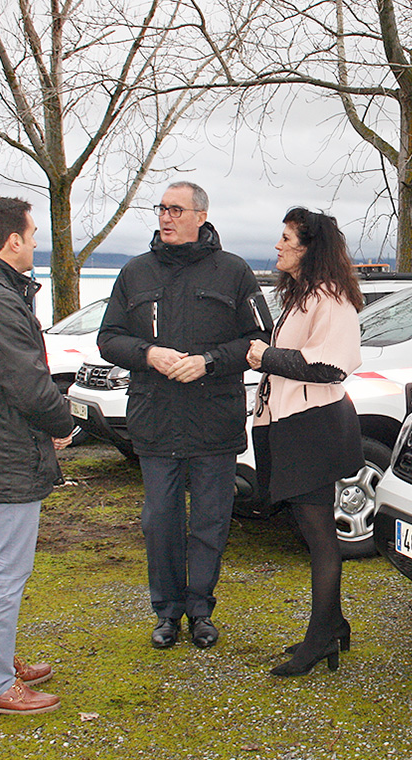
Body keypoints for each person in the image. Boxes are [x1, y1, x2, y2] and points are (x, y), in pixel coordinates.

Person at [98, 182, 272, 650]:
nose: (165, 217)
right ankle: (166, 612)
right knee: (160, 521)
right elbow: (108, 337)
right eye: (161, 209)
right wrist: (147, 352)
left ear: (201, 215)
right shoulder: (135, 272)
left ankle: (201, 611)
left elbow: (259, 339)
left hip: (213, 421)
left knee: (210, 521)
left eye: (176, 209)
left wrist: (209, 361)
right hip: (156, 421)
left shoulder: (234, 272)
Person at [246, 207, 364, 676]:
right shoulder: (303, 295)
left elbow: (331, 367)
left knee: (319, 536)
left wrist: (266, 355)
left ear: (308, 248)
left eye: (286, 238)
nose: (277, 246)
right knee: (310, 531)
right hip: (293, 423)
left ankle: (321, 636)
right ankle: (332, 625)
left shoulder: (330, 299)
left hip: (315, 425)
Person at [0, 196, 74, 714]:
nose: (38, 242)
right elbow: (26, 383)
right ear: (12, 240)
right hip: (4, 455)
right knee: (3, 571)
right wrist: (63, 422)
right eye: (33, 234)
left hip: (0, 445)